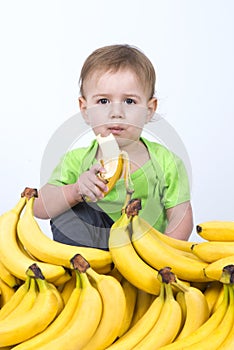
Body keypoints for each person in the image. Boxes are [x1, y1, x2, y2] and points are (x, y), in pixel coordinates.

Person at [33, 44, 193, 250]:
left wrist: (165, 255)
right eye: (103, 101)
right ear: (85, 109)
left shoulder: (166, 162)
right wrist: (76, 190)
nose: (116, 112)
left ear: (149, 109)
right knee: (65, 213)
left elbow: (181, 218)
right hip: (93, 253)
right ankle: (87, 271)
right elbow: (40, 207)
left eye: (129, 101)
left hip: (146, 252)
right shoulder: (76, 161)